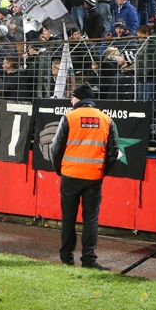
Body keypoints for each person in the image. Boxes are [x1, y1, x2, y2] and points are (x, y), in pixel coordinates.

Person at [49, 83, 119, 270]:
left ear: (78, 99)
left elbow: (55, 148)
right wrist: (102, 171)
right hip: (93, 177)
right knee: (91, 219)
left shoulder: (69, 117)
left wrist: (59, 169)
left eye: (72, 97)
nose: (71, 100)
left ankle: (66, 258)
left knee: (68, 218)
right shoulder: (106, 119)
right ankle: (89, 259)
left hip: (70, 175)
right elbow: (114, 152)